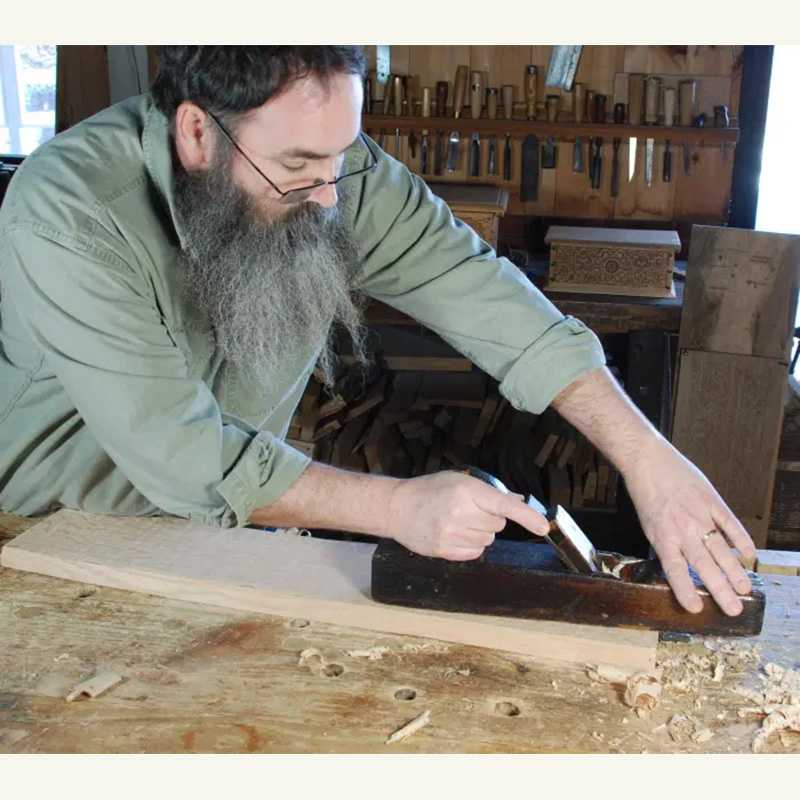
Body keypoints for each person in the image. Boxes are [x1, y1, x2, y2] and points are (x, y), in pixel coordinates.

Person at [0, 45, 754, 616]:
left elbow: (485, 295)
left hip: (213, 542)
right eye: (300, 167)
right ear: (198, 134)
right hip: (39, 543)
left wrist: (646, 458)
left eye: (342, 158)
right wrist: (396, 508)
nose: (332, 199)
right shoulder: (68, 215)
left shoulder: (333, 173)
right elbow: (182, 452)